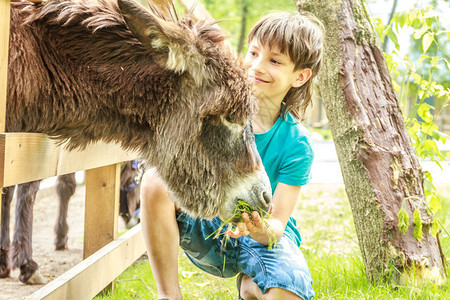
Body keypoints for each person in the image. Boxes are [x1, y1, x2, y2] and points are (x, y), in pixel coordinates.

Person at [140, 10, 324, 300]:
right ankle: (169, 295)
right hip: (211, 224)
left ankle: (251, 284)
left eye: (274, 61)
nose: (257, 66)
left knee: (284, 292)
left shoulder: (297, 144)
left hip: (263, 239)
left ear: (300, 76)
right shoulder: (217, 111)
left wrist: (259, 228)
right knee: (155, 181)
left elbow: (278, 223)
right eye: (253, 53)